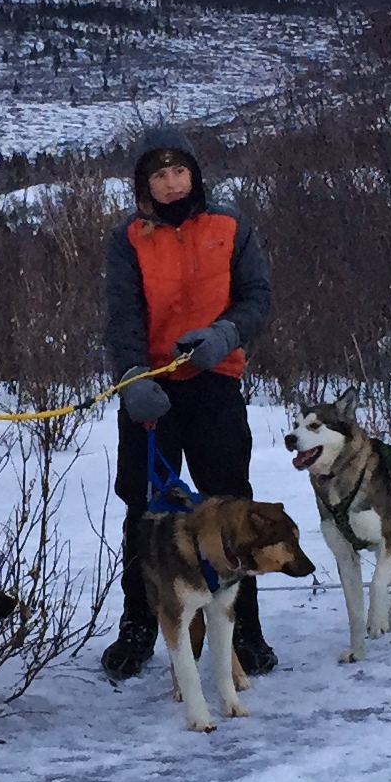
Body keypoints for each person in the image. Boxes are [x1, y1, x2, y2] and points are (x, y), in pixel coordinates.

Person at [100, 135, 277, 680]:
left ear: (194, 176)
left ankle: (244, 628)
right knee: (144, 511)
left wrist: (225, 335)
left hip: (214, 381)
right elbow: (123, 315)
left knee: (230, 506)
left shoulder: (229, 226)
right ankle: (138, 626)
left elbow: (257, 298)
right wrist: (132, 379)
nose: (171, 182)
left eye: (179, 171)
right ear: (144, 186)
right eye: (159, 175)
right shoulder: (128, 238)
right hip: (151, 389)